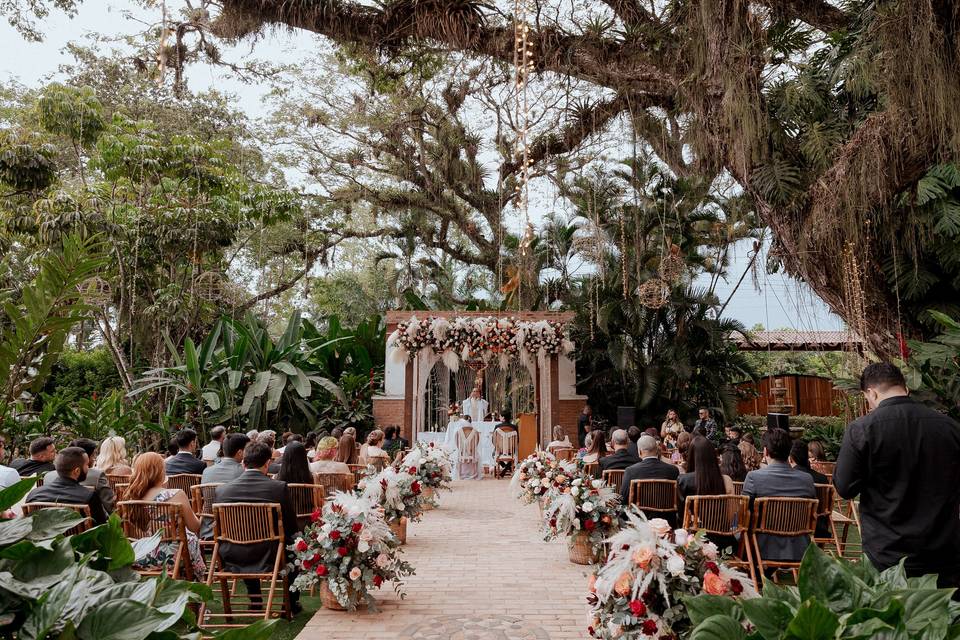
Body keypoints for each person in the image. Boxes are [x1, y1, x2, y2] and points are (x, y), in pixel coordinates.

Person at [835, 362, 960, 588]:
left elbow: (844, 487)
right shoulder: (950, 427)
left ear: (871, 393)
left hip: (888, 554)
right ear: (905, 388)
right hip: (944, 552)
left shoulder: (862, 430)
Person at [214, 442, 301, 614]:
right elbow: (291, 526)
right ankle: (289, 602)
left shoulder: (222, 491)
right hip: (270, 555)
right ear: (268, 463)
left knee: (247, 543)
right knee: (294, 544)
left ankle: (255, 598)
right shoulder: (278, 487)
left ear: (243, 463)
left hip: (232, 554)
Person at [125, 452, 205, 577]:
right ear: (160, 471)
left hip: (140, 553)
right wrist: (203, 514)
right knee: (190, 537)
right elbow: (194, 527)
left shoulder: (131, 498)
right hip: (173, 555)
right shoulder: (175, 494)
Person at [742, 429, 816, 564]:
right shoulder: (807, 479)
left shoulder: (754, 477)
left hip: (762, 547)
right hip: (799, 547)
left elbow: (743, 511)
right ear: (789, 451)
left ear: (765, 452)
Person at [26, 447, 108, 524]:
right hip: (77, 539)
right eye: (87, 465)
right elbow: (101, 526)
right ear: (76, 471)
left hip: (43, 539)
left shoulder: (34, 495)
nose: (88, 468)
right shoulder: (89, 497)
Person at [44, 438, 116, 513]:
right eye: (93, 455)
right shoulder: (96, 478)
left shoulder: (48, 476)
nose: (94, 458)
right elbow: (110, 506)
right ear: (85, 457)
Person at [619, 435, 680, 519]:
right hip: (667, 520)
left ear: (640, 452)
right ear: (656, 450)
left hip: (639, 520)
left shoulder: (631, 471)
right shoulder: (673, 470)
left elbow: (623, 498)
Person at [789, 439, 830, 539]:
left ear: (790, 459)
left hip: (794, 529)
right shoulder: (822, 478)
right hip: (819, 529)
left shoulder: (788, 478)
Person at [678, 436, 734, 504]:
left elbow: (681, 513)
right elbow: (732, 511)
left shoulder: (683, 481)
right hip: (720, 514)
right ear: (713, 455)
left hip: (692, 514)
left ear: (691, 456)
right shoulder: (727, 481)